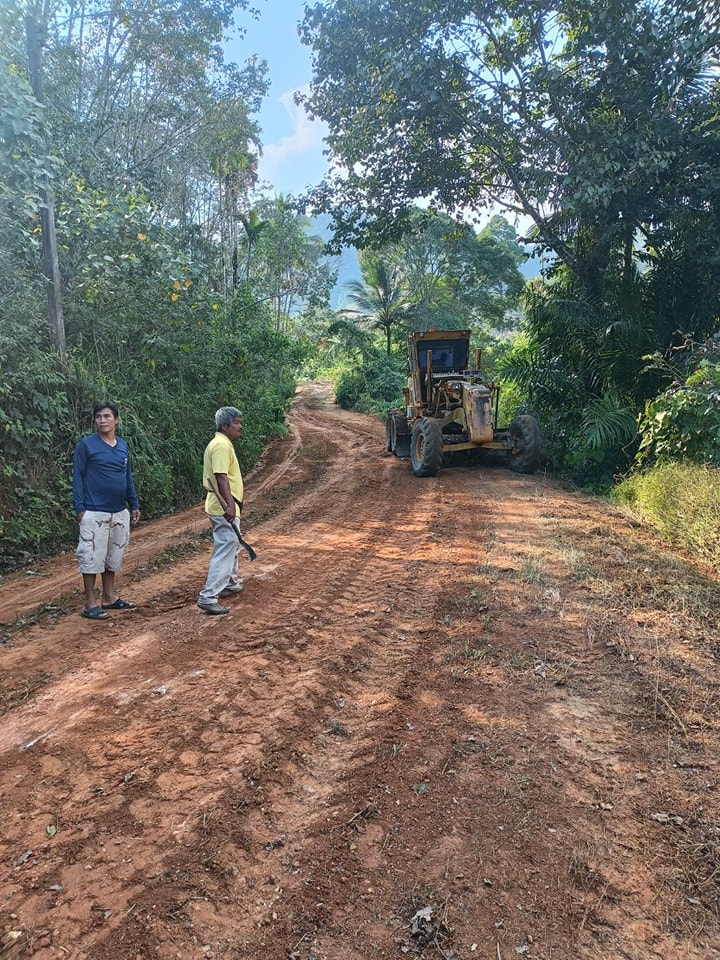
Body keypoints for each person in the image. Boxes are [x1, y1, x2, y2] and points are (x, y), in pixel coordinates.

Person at [72, 401, 141, 620]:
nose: (102, 420)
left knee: (113, 557)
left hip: (119, 511)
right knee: (92, 557)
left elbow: (127, 476)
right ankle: (90, 603)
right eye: (99, 416)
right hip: (94, 511)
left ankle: (109, 598)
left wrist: (134, 503)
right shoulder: (86, 445)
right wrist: (80, 508)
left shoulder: (122, 446)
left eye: (107, 416)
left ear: (116, 420)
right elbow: (78, 477)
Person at [197, 406, 245, 615]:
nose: (240, 426)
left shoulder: (221, 443)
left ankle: (230, 583)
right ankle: (208, 596)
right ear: (225, 426)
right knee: (226, 547)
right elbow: (220, 476)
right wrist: (229, 504)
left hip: (225, 504)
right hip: (223, 505)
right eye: (236, 423)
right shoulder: (221, 446)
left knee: (232, 543)